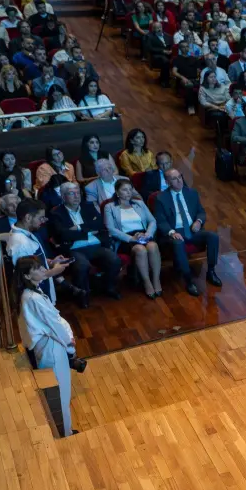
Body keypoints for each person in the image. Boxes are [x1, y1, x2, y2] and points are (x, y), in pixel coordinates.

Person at [16, 257, 88, 436]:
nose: (43, 270)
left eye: (41, 266)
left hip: (49, 345)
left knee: (60, 393)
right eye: (37, 268)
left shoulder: (32, 292)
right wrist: (70, 349)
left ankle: (65, 430)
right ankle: (65, 433)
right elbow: (54, 324)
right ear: (27, 276)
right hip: (51, 348)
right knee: (61, 395)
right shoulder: (33, 298)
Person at [152, 169, 221, 296]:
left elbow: (201, 212)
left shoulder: (192, 193)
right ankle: (188, 280)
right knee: (178, 243)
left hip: (192, 229)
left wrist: (199, 221)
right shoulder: (161, 198)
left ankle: (211, 271)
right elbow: (160, 220)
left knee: (213, 236)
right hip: (174, 231)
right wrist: (171, 232)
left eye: (180, 177)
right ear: (167, 182)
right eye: (174, 179)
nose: (179, 181)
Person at [49, 182, 123, 301]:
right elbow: (62, 235)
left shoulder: (88, 206)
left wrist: (77, 228)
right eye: (71, 193)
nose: (76, 196)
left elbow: (99, 224)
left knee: (115, 260)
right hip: (74, 248)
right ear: (63, 196)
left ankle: (108, 286)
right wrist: (88, 231)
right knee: (82, 265)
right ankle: (82, 295)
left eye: (78, 193)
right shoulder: (56, 213)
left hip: (96, 245)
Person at [105, 177, 162, 298]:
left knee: (153, 246)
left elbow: (152, 221)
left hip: (144, 234)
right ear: (117, 192)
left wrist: (148, 234)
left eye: (130, 189)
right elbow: (111, 229)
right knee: (140, 249)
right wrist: (131, 238)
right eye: (124, 190)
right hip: (125, 239)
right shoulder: (109, 207)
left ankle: (156, 279)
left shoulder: (139, 203)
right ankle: (147, 282)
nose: (128, 192)